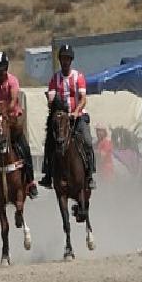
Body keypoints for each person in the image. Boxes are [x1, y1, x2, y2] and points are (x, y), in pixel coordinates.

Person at [0, 51, 38, 203]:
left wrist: (5, 110)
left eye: (2, 71)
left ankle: (30, 183)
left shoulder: (13, 81)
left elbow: (13, 99)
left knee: (25, 148)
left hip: (12, 120)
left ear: (6, 69)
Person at [39, 44, 96, 189]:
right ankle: (47, 174)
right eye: (63, 59)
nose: (65, 62)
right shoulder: (54, 79)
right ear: (60, 60)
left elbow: (83, 98)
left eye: (68, 59)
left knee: (88, 141)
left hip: (77, 117)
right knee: (49, 143)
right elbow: (51, 100)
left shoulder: (79, 77)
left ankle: (89, 175)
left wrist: (76, 112)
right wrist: (55, 108)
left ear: (71, 60)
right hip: (60, 118)